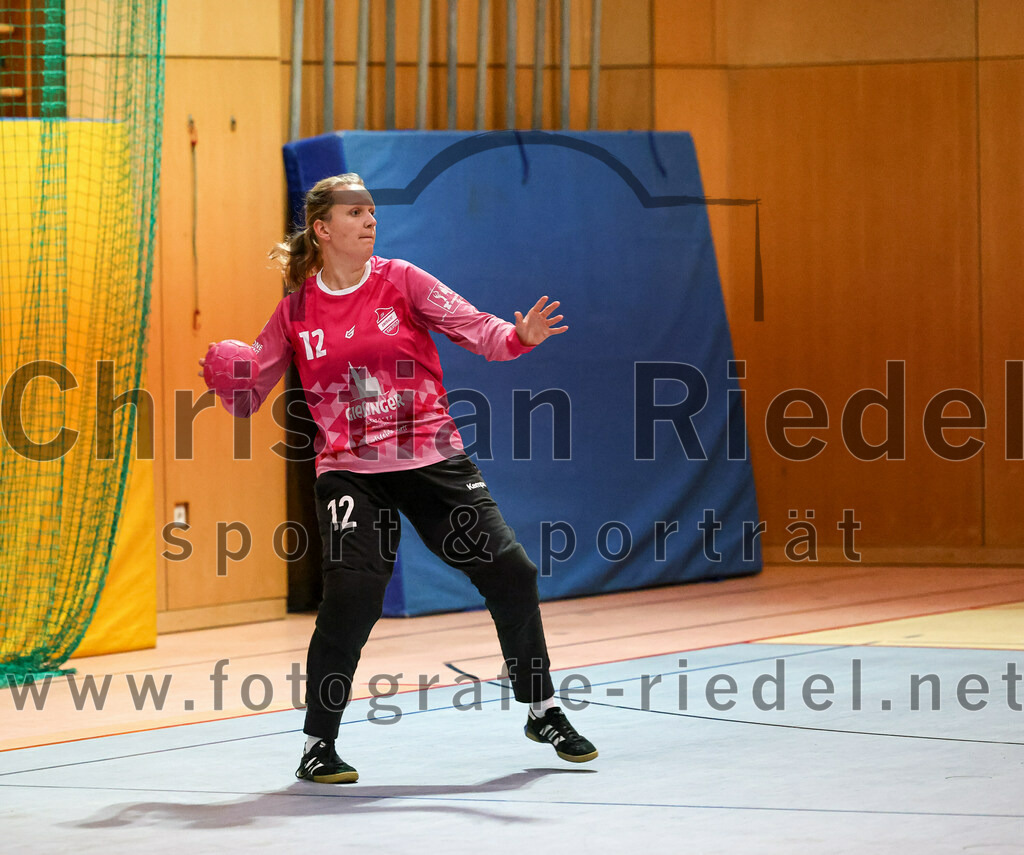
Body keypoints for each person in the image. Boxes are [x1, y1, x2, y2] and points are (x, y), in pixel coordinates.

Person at [200, 173, 597, 784]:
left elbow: (476, 327)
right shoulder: (296, 311)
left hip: (431, 459)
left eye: (372, 211)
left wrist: (517, 336)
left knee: (510, 571)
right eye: (354, 213)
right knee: (353, 596)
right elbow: (251, 393)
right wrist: (232, 381)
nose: (369, 220)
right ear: (323, 229)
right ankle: (317, 744)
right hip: (351, 473)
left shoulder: (402, 281)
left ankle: (542, 709)